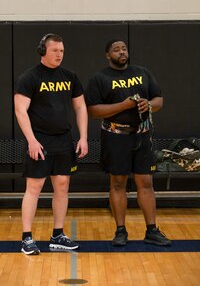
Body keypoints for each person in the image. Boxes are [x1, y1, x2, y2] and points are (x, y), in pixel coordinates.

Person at [85, 39, 171, 246]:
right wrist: (123, 106)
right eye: (116, 50)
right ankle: (120, 231)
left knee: (146, 183)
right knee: (117, 183)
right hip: (115, 136)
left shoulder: (142, 72)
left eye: (124, 49)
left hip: (141, 135)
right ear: (108, 55)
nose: (121, 52)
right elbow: (93, 111)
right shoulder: (100, 78)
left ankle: (151, 230)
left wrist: (147, 104)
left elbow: (159, 99)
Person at [14, 33, 88, 255]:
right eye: (55, 50)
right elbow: (20, 110)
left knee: (62, 186)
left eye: (62, 51)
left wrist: (83, 137)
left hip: (64, 140)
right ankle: (27, 238)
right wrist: (32, 141)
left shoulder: (70, 76)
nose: (59, 55)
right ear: (42, 51)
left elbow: (81, 107)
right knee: (34, 187)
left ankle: (57, 235)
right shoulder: (29, 78)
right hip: (40, 140)